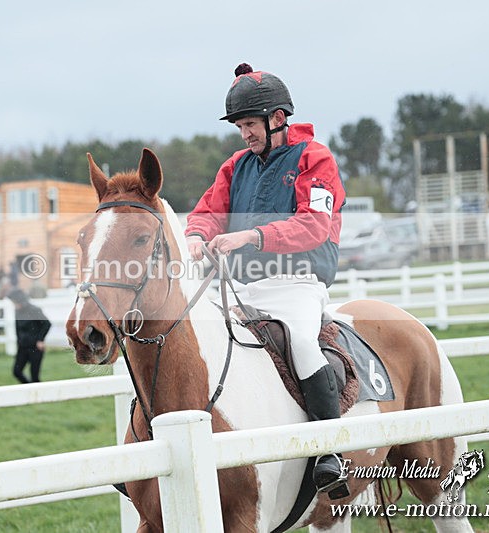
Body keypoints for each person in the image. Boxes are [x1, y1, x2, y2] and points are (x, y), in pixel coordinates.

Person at [184, 63, 347, 496]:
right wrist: (196, 235)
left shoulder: (315, 158)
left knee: (302, 342)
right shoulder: (235, 166)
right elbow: (207, 212)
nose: (244, 134)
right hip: (243, 288)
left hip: (298, 285)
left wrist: (252, 236)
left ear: (277, 118)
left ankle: (329, 450)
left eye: (250, 125)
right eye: (239, 127)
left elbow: (315, 225)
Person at [7, 288, 51, 383]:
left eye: (14, 302)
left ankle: (36, 390)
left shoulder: (34, 310)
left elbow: (46, 324)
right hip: (22, 347)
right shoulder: (17, 312)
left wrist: (40, 339)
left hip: (35, 347)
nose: (13, 305)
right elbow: (18, 329)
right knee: (17, 371)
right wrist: (18, 343)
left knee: (34, 377)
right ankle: (29, 387)